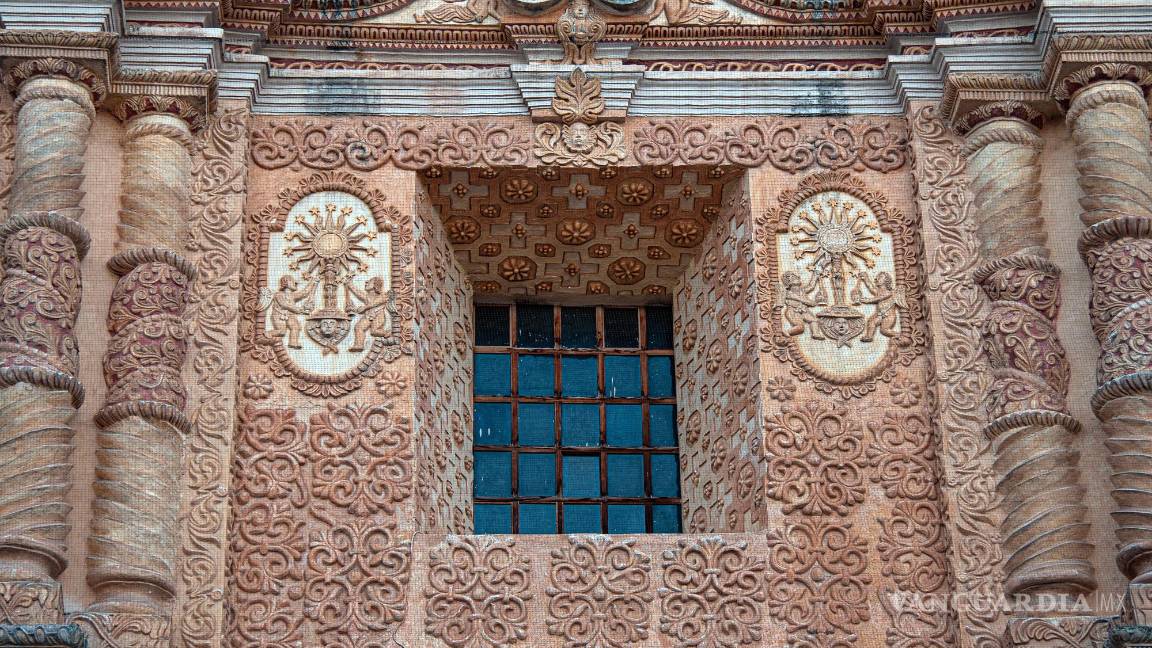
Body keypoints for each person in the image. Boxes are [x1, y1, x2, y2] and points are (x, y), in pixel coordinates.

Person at [266, 275, 316, 349]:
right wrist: (299, 310)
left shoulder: (292, 295)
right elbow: (284, 305)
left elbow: (304, 293)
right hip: (279, 315)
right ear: (286, 283)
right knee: (281, 331)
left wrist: (313, 282)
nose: (295, 283)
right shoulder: (278, 294)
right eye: (293, 281)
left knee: (296, 326)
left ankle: (293, 343)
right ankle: (267, 334)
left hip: (290, 315)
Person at [854, 271, 905, 342]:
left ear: (886, 281)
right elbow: (871, 287)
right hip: (880, 315)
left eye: (880, 277)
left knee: (884, 330)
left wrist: (868, 300)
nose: (876, 278)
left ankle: (899, 335)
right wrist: (866, 278)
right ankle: (869, 337)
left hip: (889, 316)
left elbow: (879, 298)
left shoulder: (889, 292)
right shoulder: (878, 291)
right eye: (877, 277)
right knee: (871, 322)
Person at [347, 276, 392, 352]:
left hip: (378, 315)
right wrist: (350, 284)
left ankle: (387, 332)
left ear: (375, 285)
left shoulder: (382, 296)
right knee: (358, 327)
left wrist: (365, 307)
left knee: (374, 331)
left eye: (369, 281)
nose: (366, 282)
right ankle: (359, 345)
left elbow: (377, 302)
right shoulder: (367, 296)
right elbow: (357, 292)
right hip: (368, 315)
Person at [779, 271, 824, 340]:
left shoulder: (802, 290)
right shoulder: (788, 294)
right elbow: (803, 300)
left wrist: (815, 276)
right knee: (800, 327)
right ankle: (787, 332)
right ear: (788, 283)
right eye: (793, 277)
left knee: (814, 320)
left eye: (796, 277)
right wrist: (811, 302)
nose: (797, 278)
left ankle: (815, 333)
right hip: (793, 311)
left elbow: (811, 286)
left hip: (803, 310)